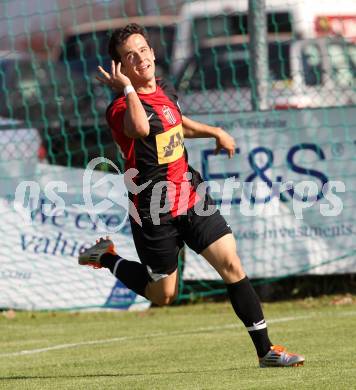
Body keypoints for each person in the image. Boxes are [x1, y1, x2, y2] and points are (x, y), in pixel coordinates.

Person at [78, 23, 304, 368]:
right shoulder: (120, 108)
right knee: (163, 294)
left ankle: (266, 351)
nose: (139, 59)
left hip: (190, 192)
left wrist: (215, 131)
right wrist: (126, 88)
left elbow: (177, 124)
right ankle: (106, 257)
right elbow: (140, 129)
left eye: (143, 50)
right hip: (153, 209)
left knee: (231, 263)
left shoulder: (165, 91)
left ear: (153, 52)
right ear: (120, 68)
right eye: (129, 57)